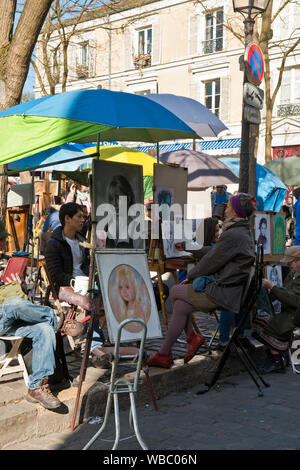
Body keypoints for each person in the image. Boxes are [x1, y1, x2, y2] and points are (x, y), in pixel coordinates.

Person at [146, 193, 256, 368]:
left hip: (224, 292)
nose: (225, 209)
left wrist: (190, 277)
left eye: (228, 206)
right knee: (181, 307)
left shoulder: (234, 234)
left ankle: (189, 339)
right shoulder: (241, 231)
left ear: (235, 210)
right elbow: (214, 254)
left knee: (174, 291)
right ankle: (165, 353)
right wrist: (189, 246)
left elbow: (211, 261)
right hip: (229, 289)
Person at [0, 221, 83, 410]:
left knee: (44, 330)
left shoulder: (6, 261)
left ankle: (37, 386)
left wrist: (17, 285)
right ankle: (58, 321)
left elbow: (22, 302)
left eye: (4, 241)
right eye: (1, 241)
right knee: (13, 304)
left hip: (12, 320)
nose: (4, 245)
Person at [45, 203, 106, 368]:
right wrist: (76, 281)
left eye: (83, 216)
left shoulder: (82, 240)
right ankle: (94, 347)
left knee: (106, 291)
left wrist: (92, 274)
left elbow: (86, 266)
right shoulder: (54, 243)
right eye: (79, 216)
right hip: (64, 288)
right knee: (92, 297)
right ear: (67, 219)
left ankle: (105, 338)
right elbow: (55, 275)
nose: (82, 220)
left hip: (83, 284)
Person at [252, 246, 300, 374]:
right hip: (288, 312)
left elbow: (294, 300)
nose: (289, 265)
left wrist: (272, 287)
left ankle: (277, 360)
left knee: (269, 326)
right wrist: (267, 293)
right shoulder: (292, 274)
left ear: (298, 261)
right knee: (259, 320)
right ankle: (275, 357)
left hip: (295, 315)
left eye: (290, 263)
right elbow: (284, 291)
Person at [112, 265, 150, 333]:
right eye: (120, 287)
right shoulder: (122, 309)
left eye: (127, 287)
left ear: (135, 287)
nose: (124, 292)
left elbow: (139, 329)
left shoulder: (139, 308)